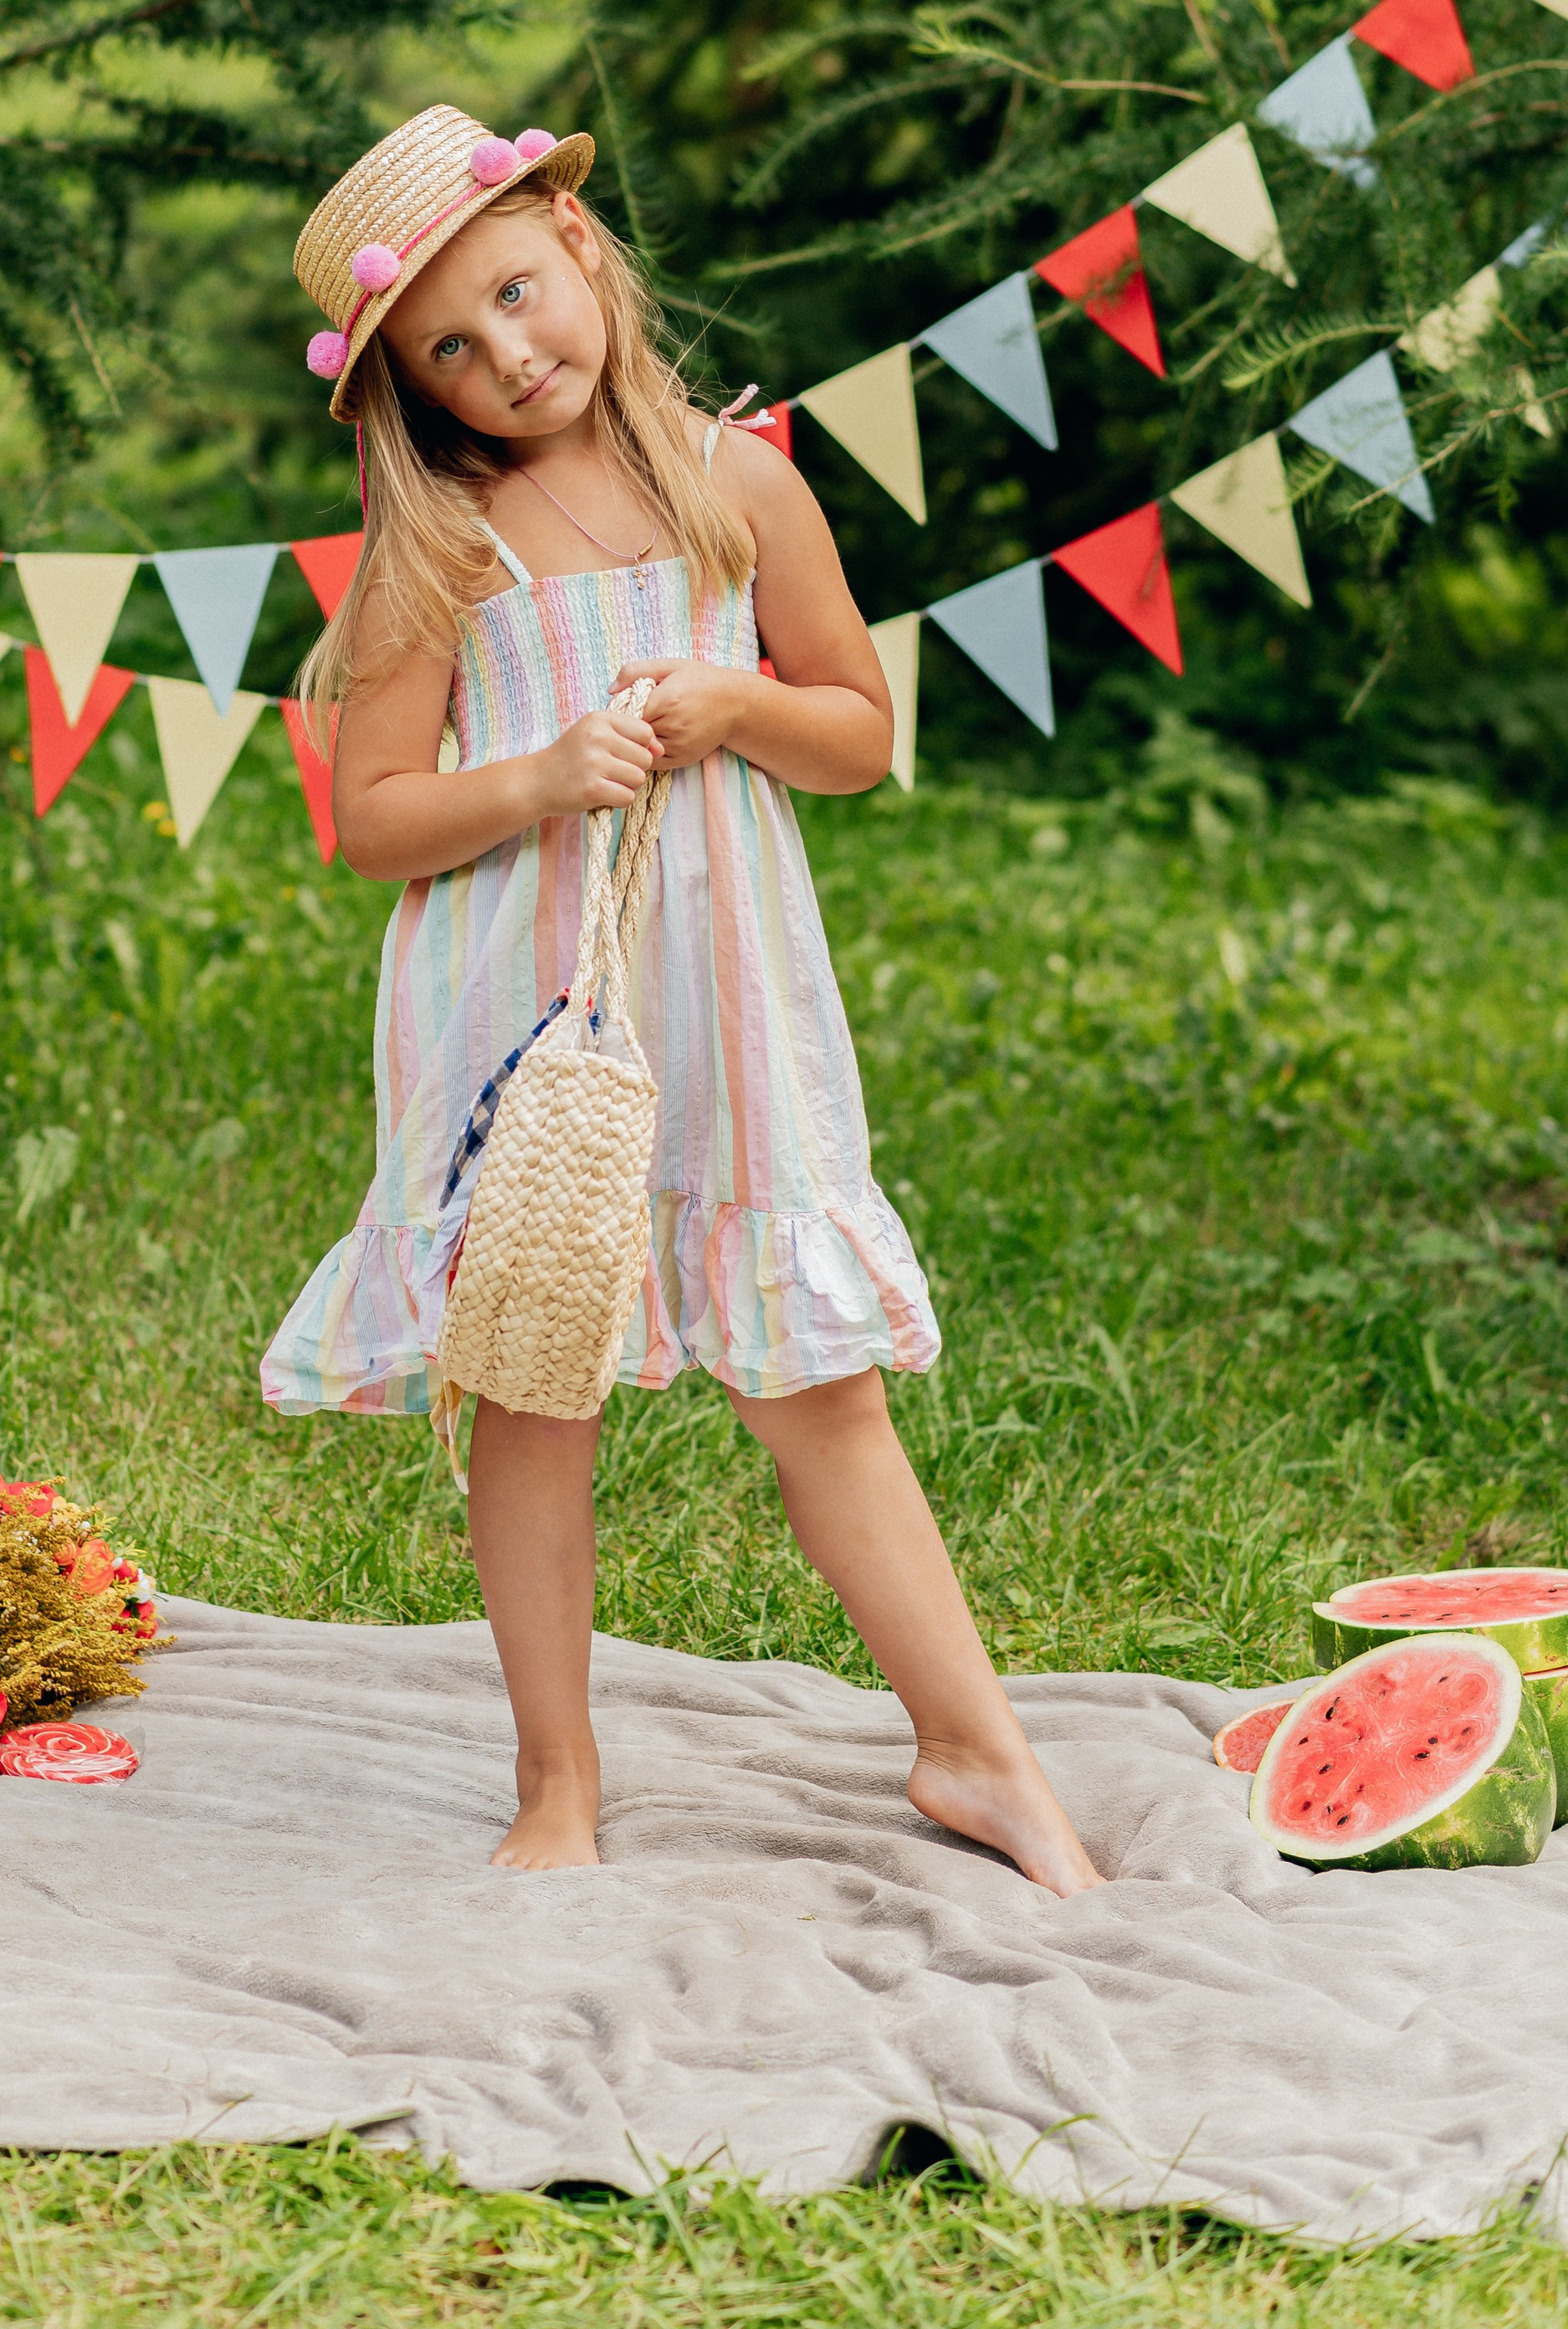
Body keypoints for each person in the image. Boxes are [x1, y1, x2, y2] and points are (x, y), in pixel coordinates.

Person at [262, 105, 1099, 1896]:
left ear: (574, 243)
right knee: (531, 1379)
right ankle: (555, 1780)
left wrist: (735, 707)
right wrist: (538, 774)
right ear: (405, 391)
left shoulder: (741, 484)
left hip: (724, 987)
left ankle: (975, 1749)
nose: (507, 358)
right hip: (521, 1009)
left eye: (514, 294)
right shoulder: (439, 546)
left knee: (820, 1383)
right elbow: (373, 818)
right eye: (449, 351)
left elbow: (857, 734)